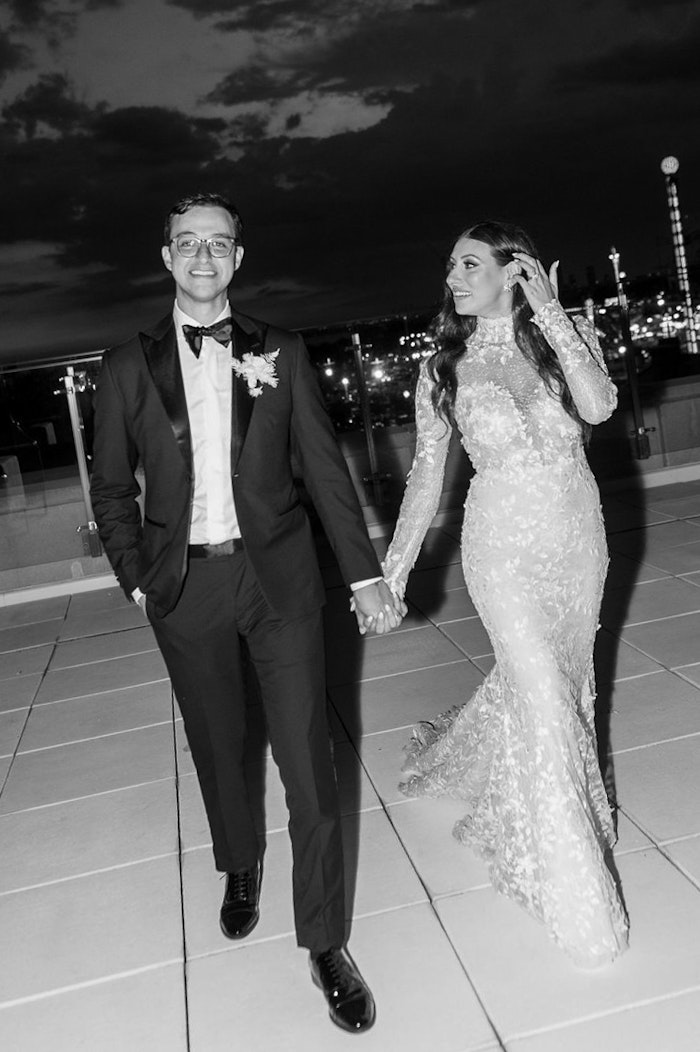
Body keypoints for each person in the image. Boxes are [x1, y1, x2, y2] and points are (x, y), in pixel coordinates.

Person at [90, 191, 405, 1034]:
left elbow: (326, 474)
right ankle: (238, 863)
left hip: (283, 584)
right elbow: (112, 489)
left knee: (308, 759)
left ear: (238, 257)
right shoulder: (125, 367)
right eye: (186, 243)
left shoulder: (284, 351)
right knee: (220, 746)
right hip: (184, 588)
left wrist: (365, 576)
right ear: (165, 257)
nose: (202, 257)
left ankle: (326, 942)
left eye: (217, 243)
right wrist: (137, 579)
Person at [381, 220, 629, 968]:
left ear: (511, 271)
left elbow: (598, 407)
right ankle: (573, 894)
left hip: (576, 538)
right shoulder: (442, 369)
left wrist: (551, 312)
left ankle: (562, 817)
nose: (452, 276)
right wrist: (391, 574)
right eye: (449, 263)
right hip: (501, 549)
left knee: (570, 685)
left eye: (468, 263)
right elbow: (428, 478)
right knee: (543, 695)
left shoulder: (565, 334)